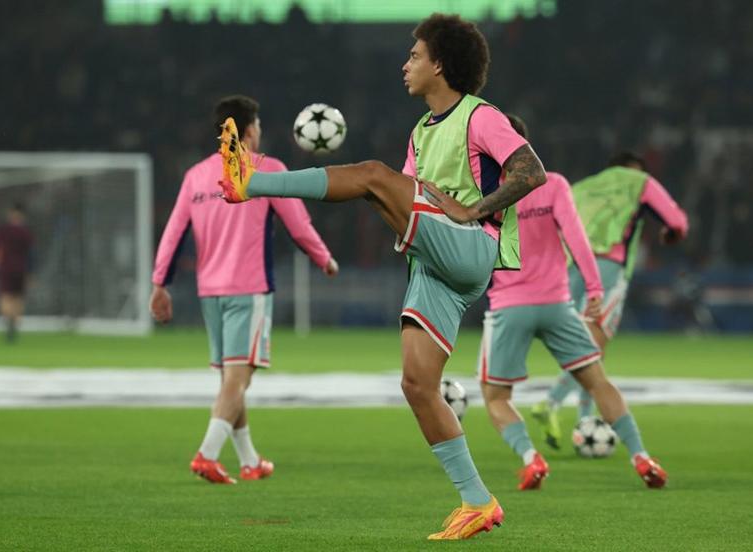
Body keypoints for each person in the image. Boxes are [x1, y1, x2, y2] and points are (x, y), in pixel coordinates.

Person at [219, 14, 546, 540]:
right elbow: (404, 198)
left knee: (371, 174)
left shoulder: (482, 116)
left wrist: (472, 211)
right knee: (418, 385)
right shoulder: (421, 131)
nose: (405, 64)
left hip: (470, 248)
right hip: (434, 267)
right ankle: (478, 502)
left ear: (440, 64)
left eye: (415, 56)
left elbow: (533, 173)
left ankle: (249, 181)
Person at [150, 95, 339, 485]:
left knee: (230, 382)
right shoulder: (266, 170)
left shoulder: (196, 176)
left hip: (210, 294)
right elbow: (298, 224)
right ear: (250, 129)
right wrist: (324, 259)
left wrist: (159, 284)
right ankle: (206, 455)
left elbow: (173, 233)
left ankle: (250, 460)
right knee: (239, 380)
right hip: (249, 289)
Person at [478, 115, 668, 491]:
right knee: (598, 382)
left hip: (509, 306)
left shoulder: (485, 196)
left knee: (496, 396)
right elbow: (578, 239)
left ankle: (531, 460)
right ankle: (641, 456)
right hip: (557, 305)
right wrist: (595, 290)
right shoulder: (554, 184)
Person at [530, 151, 689, 451]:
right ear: (634, 170)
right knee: (593, 346)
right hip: (606, 269)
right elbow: (677, 220)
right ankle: (550, 402)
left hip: (568, 268)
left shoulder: (584, 186)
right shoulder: (639, 182)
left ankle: (584, 418)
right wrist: (673, 233)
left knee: (586, 345)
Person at [0, 203, 33, 343]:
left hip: (6, 268)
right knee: (18, 298)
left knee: (6, 297)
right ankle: (14, 325)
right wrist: (30, 272)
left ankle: (9, 323)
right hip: (21, 268)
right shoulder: (25, 232)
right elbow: (31, 253)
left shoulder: (3, 230)